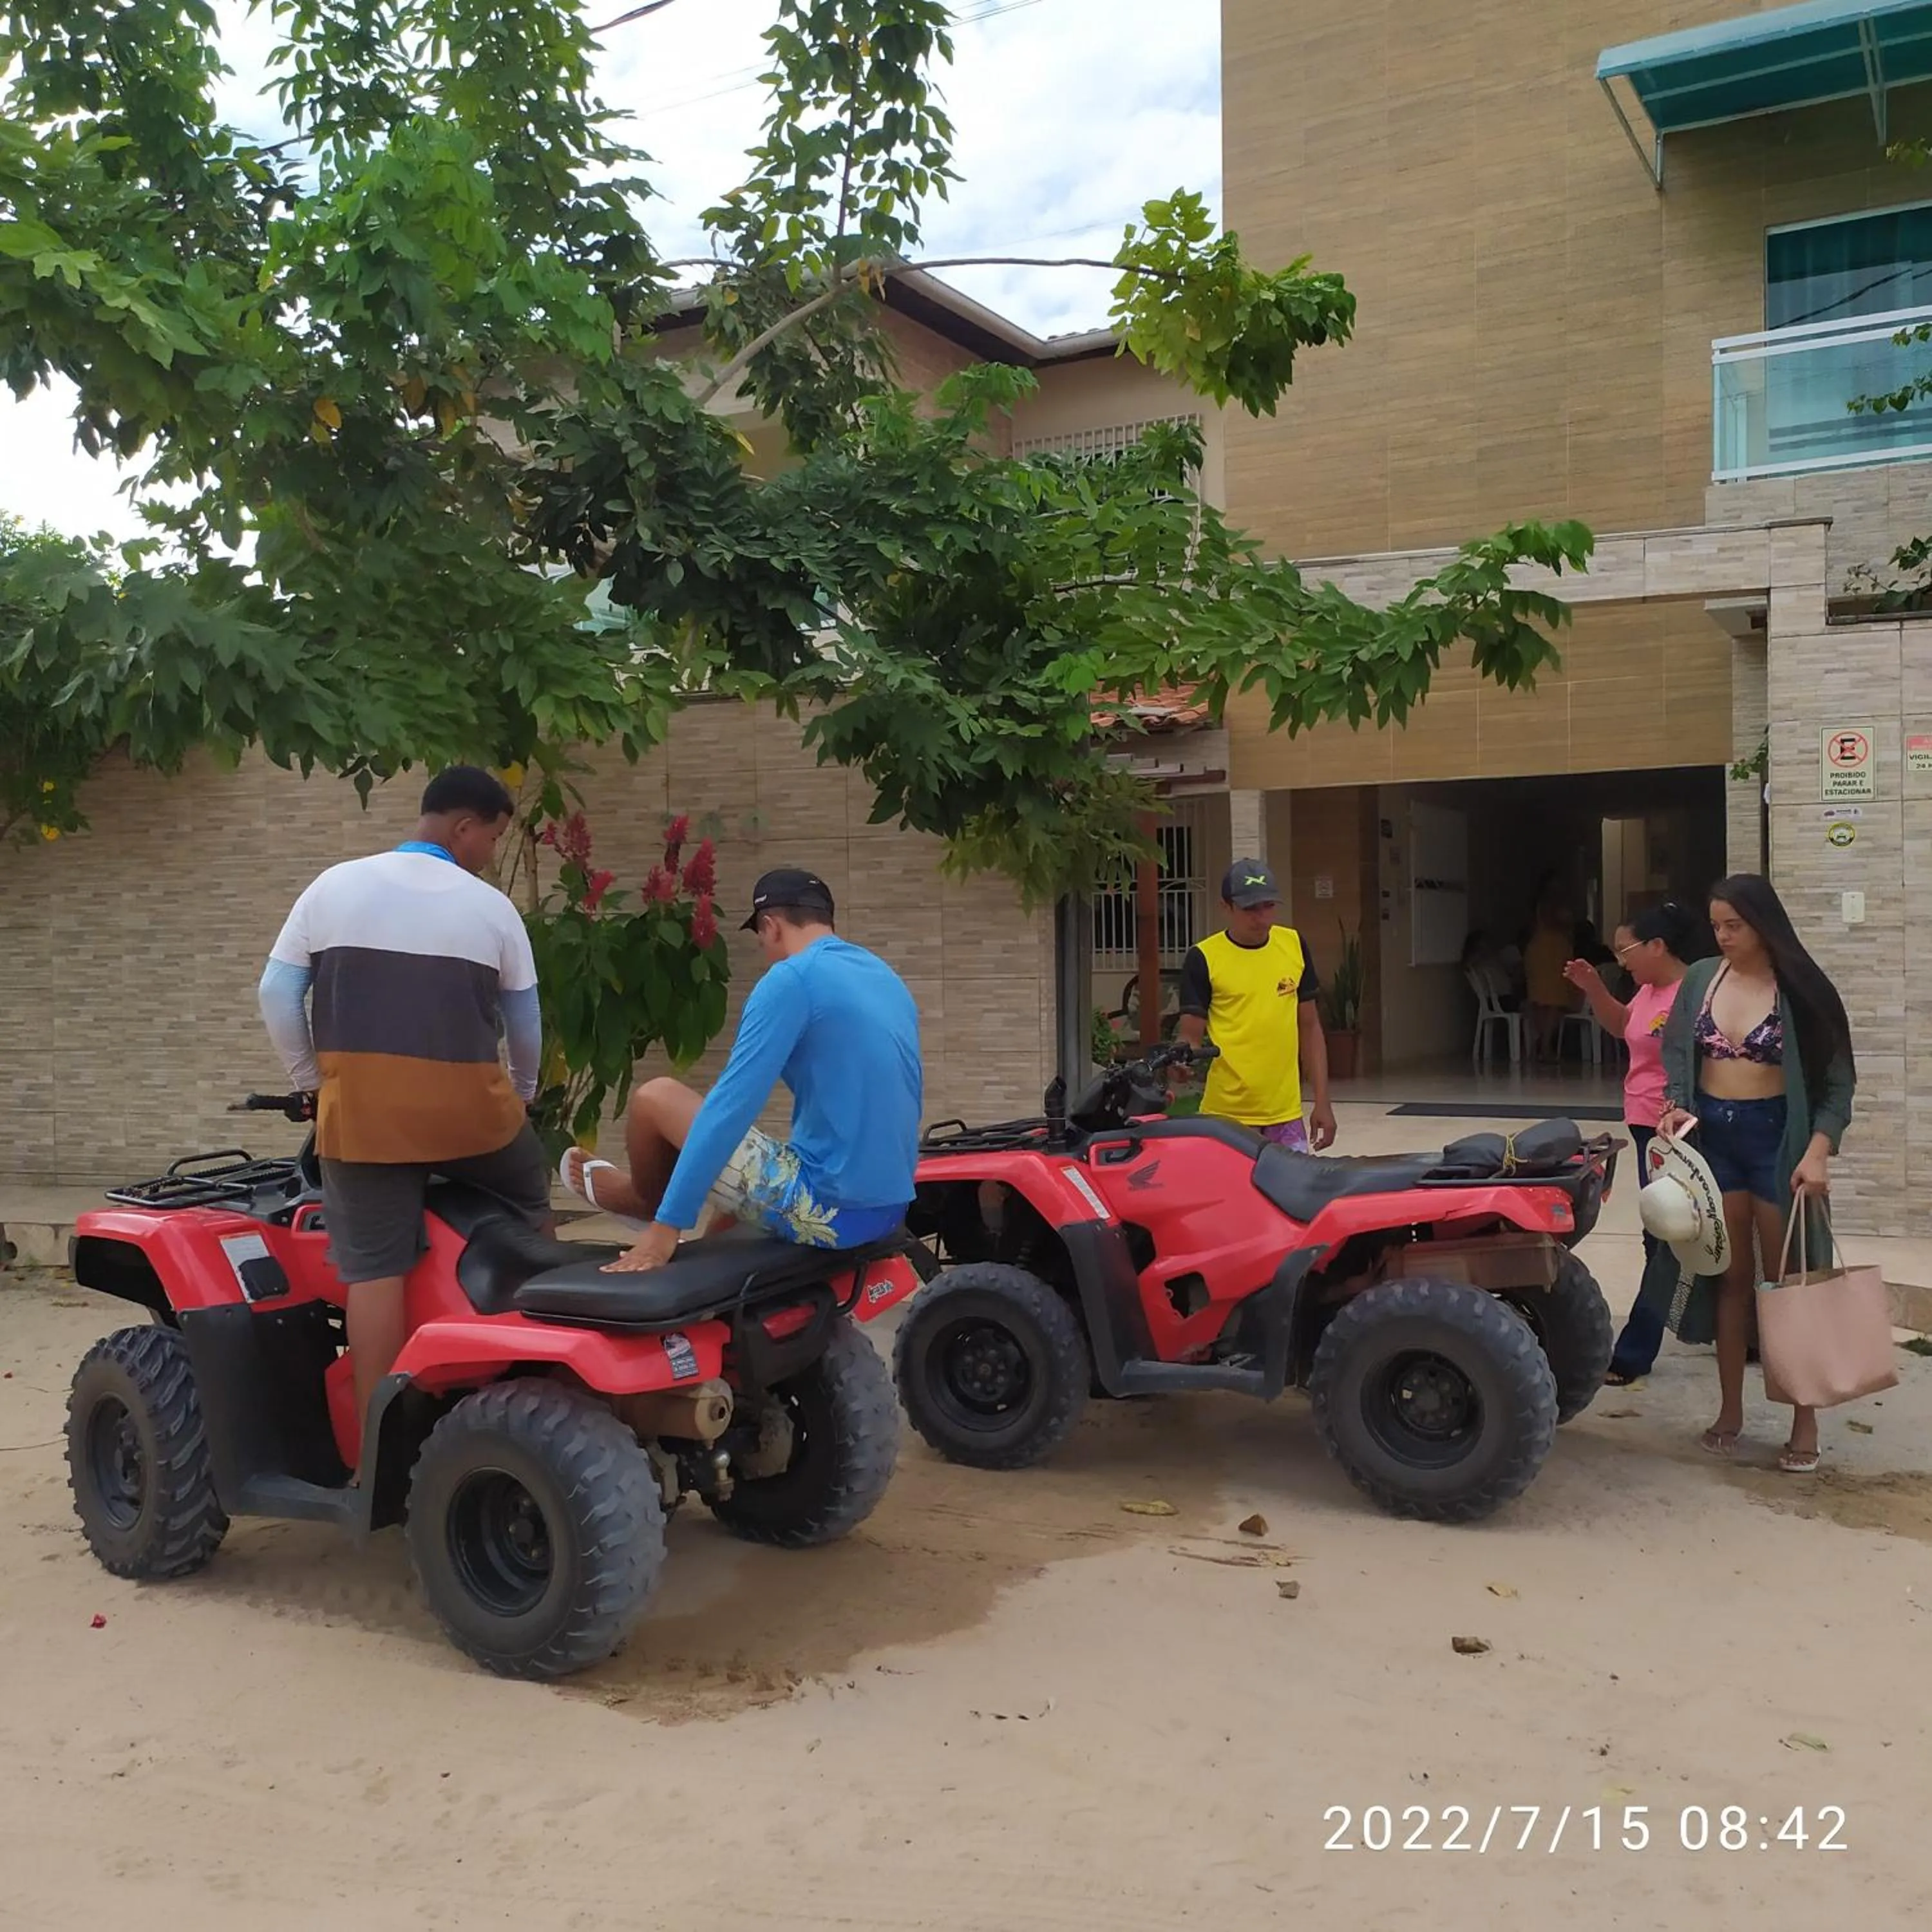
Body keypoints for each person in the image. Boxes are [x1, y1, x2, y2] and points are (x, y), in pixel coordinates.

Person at [258, 765, 548, 1444]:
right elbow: (526, 1027)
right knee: (532, 1202)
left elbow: (276, 995)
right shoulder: (492, 909)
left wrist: (313, 1083)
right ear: (463, 827)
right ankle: (545, 1375)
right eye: (491, 839)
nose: (489, 855)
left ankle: (376, 1448)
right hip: (475, 1123)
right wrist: (522, 1097)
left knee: (373, 1270)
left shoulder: (333, 887)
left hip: (365, 1124)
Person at [565, 869, 923, 1275]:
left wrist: (668, 1225)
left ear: (771, 927)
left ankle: (644, 1203)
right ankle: (707, 1278)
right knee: (735, 1190)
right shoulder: (882, 976)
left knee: (656, 1098)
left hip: (833, 1210)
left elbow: (731, 1107)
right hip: (890, 1204)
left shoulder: (792, 978)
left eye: (760, 936)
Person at [1656, 875, 1855, 1473]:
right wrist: (1675, 1105)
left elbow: (1838, 1083)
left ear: (1764, 924)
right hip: (1714, 1139)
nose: (1723, 936)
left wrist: (1818, 1150)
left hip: (1778, 1140)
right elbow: (1677, 1052)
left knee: (1788, 1283)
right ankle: (1729, 1412)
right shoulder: (1701, 979)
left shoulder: (1803, 988)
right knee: (1729, 1276)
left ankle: (1804, 1421)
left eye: (1734, 926)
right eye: (1716, 925)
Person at [1562, 901, 1700, 1384]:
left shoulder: (1695, 994)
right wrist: (1594, 989)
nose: (1621, 961)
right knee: (1663, 1232)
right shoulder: (1648, 991)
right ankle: (1742, 1330)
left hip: (1678, 1131)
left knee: (1665, 1236)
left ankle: (1635, 1351)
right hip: (1645, 1126)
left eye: (1626, 950)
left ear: (1658, 946)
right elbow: (1624, 1027)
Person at [1174, 859, 1337, 1153]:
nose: (1262, 918)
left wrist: (1322, 1102)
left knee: (1292, 1185)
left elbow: (1310, 1027)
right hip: (1227, 1118)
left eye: (1268, 906)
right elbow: (1190, 1036)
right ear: (1226, 907)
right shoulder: (1204, 957)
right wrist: (1181, 1062)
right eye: (1250, 909)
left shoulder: (1293, 945)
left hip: (1286, 1116)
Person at [1523, 897, 1577, 1061]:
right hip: (1548, 954)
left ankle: (1541, 1045)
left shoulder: (1548, 909)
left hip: (1551, 953)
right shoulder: (1548, 907)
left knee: (1552, 1003)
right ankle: (1544, 1047)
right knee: (1548, 1003)